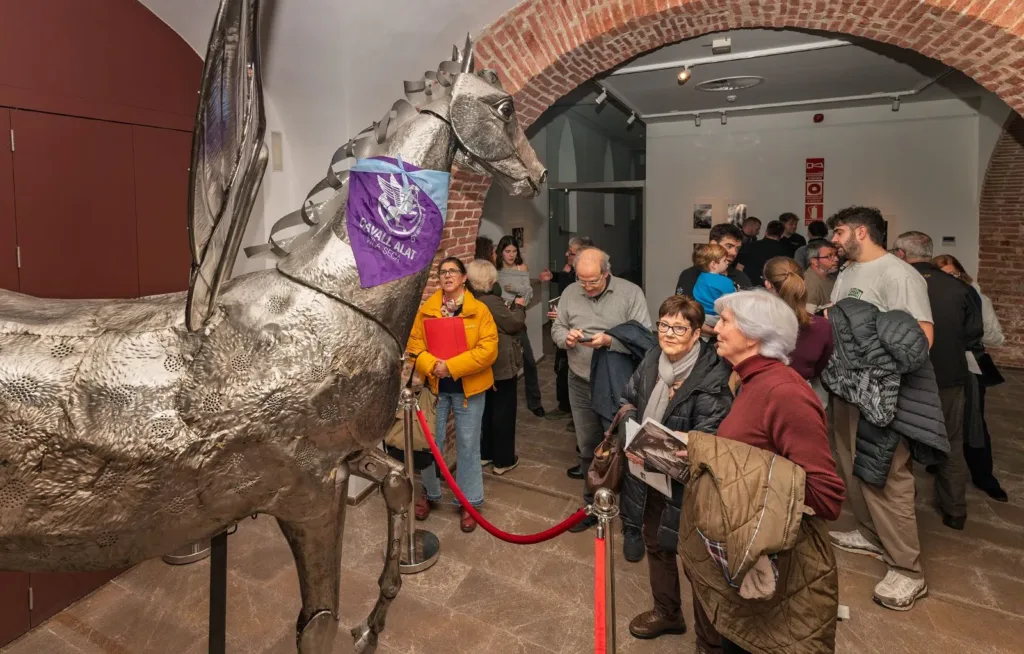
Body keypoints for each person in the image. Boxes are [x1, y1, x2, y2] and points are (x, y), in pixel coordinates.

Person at [690, 290, 844, 654]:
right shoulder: (749, 379)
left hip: (777, 563)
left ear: (754, 335)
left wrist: (728, 468)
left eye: (725, 322)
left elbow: (826, 495)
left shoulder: (784, 392)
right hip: (745, 550)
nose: (716, 329)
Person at [827, 206, 933, 610]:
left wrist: (875, 380)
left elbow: (921, 340)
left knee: (886, 476)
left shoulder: (897, 274)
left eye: (838, 232)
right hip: (844, 389)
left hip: (878, 396)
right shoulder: (849, 272)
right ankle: (870, 534)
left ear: (860, 232)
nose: (833, 240)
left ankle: (908, 571)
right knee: (850, 462)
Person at [621, 295, 733, 641]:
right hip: (651, 476)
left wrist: (651, 448)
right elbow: (631, 395)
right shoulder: (654, 357)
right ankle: (667, 612)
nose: (668, 334)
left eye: (679, 328)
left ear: (697, 332)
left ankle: (710, 640)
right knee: (656, 543)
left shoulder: (711, 375)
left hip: (693, 487)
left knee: (699, 563)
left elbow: (709, 436)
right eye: (663, 325)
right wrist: (631, 422)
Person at [551, 248, 651, 538]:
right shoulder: (571, 291)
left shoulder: (630, 293)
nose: (586, 287)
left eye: (592, 281)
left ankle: (631, 522)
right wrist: (565, 339)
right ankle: (592, 506)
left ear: (607, 273)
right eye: (581, 280)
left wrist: (609, 341)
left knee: (624, 450)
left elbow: (644, 338)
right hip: (580, 380)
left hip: (617, 384)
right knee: (588, 447)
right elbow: (557, 326)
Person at [893, 232, 982, 530]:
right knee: (951, 444)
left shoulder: (897, 286)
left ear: (902, 254)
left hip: (906, 376)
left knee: (899, 446)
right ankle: (955, 511)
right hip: (949, 377)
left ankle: (902, 511)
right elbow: (974, 334)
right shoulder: (960, 288)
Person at [407, 257, 498, 533]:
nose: (447, 276)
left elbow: (488, 349)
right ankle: (430, 494)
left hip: (468, 390)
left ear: (463, 278)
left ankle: (469, 502)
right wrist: (433, 366)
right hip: (435, 389)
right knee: (429, 444)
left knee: (468, 446)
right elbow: (414, 345)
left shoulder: (479, 310)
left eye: (453, 272)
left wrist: (452, 366)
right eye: (442, 272)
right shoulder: (427, 310)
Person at [933, 254, 1008, 501]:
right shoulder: (932, 296)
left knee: (973, 421)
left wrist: (965, 335)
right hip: (939, 364)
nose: (949, 281)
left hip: (969, 366)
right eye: (943, 276)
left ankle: (984, 475)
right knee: (940, 418)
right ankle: (940, 462)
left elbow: (996, 337)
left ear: (962, 273)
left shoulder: (976, 296)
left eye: (953, 275)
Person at [470, 259, 528, 476]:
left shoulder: (470, 299)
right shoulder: (491, 301)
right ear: (489, 279)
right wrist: (520, 308)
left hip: (482, 365)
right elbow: (513, 324)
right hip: (500, 364)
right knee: (504, 411)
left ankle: (486, 454)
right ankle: (504, 460)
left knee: (487, 410)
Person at [762, 257, 833, 407]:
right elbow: (819, 367)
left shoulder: (754, 322)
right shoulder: (822, 327)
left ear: (767, 283)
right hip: (802, 399)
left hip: (760, 395)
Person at [544, 236, 594, 426]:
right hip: (565, 329)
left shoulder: (587, 277)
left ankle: (578, 414)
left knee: (578, 373)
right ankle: (565, 407)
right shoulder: (571, 271)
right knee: (562, 367)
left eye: (570, 252)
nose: (566, 254)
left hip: (579, 333)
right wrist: (555, 276)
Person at [495, 235, 545, 417]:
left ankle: (535, 402)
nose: (511, 254)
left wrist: (515, 291)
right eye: (507, 251)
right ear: (501, 252)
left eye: (514, 251)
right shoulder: (495, 270)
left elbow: (528, 294)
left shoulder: (521, 268)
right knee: (503, 363)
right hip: (500, 320)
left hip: (517, 319)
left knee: (529, 361)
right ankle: (502, 405)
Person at [675, 223, 751, 297]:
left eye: (737, 248)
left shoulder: (741, 278)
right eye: (729, 246)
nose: (734, 253)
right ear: (713, 245)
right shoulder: (690, 275)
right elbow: (680, 307)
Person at [690, 243, 736, 328]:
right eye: (725, 260)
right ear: (714, 264)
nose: (727, 263)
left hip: (701, 317)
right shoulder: (725, 281)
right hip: (716, 318)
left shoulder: (700, 277)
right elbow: (733, 300)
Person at [734, 219, 789, 289]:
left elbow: (739, 268)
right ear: (781, 235)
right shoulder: (784, 251)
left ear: (766, 232)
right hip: (770, 288)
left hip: (748, 286)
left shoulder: (750, 246)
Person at [803, 238, 839, 313]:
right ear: (814, 261)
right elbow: (808, 318)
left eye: (835, 255)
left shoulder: (832, 277)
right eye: (829, 256)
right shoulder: (810, 284)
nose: (836, 259)